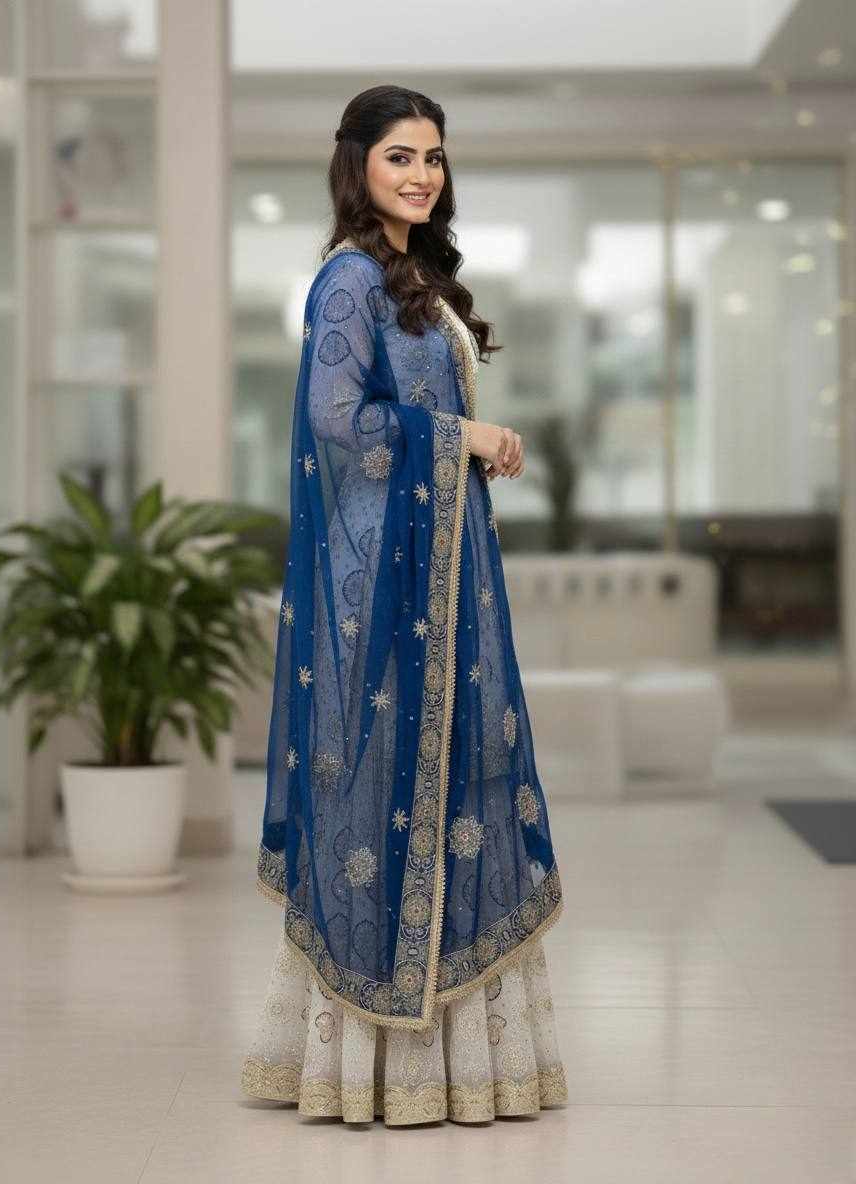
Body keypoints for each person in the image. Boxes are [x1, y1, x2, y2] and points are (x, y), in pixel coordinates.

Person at [241, 84, 567, 1126]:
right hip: (379, 587)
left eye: (433, 156)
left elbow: (405, 410)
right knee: (376, 789)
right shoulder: (348, 278)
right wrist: (464, 437)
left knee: (458, 780)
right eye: (400, 156)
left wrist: (475, 442)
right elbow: (337, 418)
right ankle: (371, 1066)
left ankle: (458, 1063)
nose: (422, 174)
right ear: (357, 164)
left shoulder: (413, 274)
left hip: (442, 573)